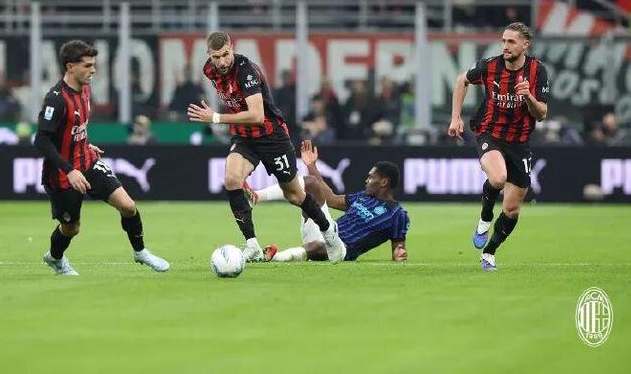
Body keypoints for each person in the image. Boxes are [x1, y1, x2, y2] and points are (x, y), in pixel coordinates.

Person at [187, 32, 336, 262]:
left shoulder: (246, 71)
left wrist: (216, 117)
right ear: (209, 55)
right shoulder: (210, 70)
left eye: (226, 54)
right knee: (232, 179)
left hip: (271, 137)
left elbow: (257, 116)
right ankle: (252, 245)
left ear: (232, 48)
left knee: (295, 195)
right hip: (244, 138)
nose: (222, 61)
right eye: (216, 57)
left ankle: (328, 231)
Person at [34, 40, 169, 276]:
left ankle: (140, 252)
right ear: (70, 67)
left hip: (87, 161)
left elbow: (74, 128)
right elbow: (41, 140)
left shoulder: (85, 90)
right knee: (71, 228)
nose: (93, 70)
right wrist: (69, 170)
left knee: (128, 206)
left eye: (94, 65)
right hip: (63, 174)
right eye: (87, 65)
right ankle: (55, 258)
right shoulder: (56, 99)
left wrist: (84, 144)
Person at [448, 22, 549, 272]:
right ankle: (485, 217)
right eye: (503, 40)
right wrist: (455, 117)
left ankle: (489, 252)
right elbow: (462, 80)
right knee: (498, 177)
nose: (505, 46)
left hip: (520, 142)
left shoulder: (537, 70)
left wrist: (528, 97)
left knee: (512, 209)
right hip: (490, 133)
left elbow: (542, 114)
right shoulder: (490, 66)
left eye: (511, 41)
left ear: (525, 44)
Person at [244, 140, 409, 263]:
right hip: (326, 231)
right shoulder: (364, 197)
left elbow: (398, 248)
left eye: (371, 177)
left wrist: (399, 254)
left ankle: (272, 257)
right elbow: (331, 200)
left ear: (384, 182)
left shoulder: (397, 214)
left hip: (341, 250)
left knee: (319, 246)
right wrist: (312, 166)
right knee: (310, 183)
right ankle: (256, 197)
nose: (367, 181)